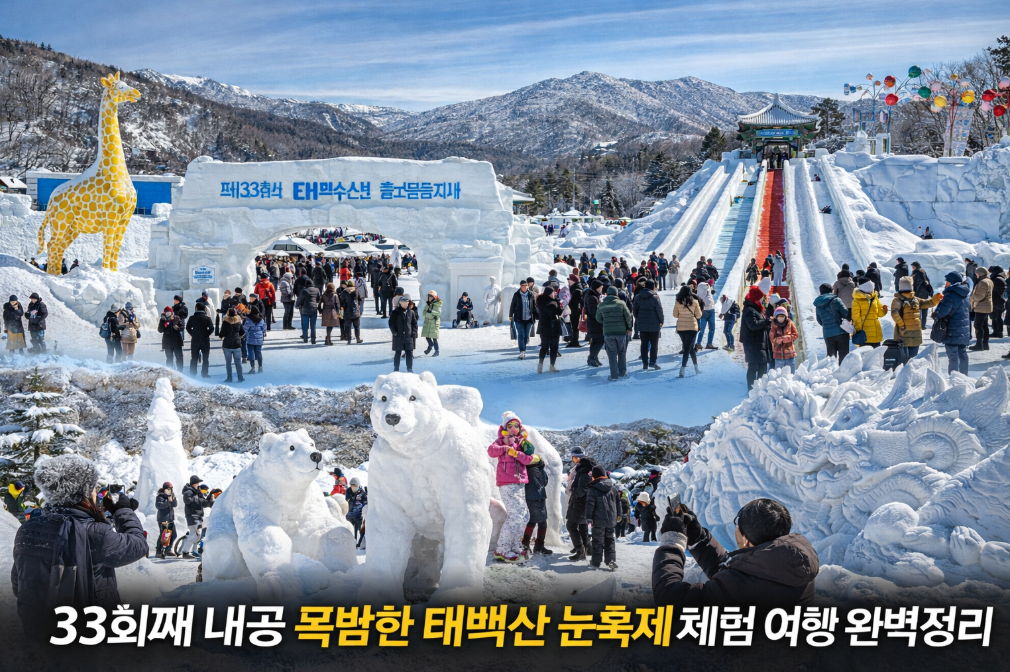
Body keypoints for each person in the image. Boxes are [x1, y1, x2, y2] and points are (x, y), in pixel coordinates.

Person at [12, 454, 147, 637]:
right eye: (92, 487)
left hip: (38, 629)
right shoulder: (95, 533)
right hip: (91, 630)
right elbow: (138, 545)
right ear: (81, 491)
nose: (95, 492)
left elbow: (18, 582)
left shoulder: (28, 529)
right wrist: (124, 512)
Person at [652, 497, 818, 607]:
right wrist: (698, 538)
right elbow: (736, 575)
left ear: (746, 539)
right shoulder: (794, 564)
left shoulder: (740, 586)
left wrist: (672, 541)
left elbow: (669, 599)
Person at [487, 415, 535, 563]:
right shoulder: (501, 440)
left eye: (516, 425)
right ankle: (502, 548)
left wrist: (517, 453)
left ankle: (514, 546)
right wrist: (506, 448)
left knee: (524, 516)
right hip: (507, 482)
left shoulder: (522, 442)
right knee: (515, 515)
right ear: (505, 428)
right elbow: (491, 451)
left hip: (520, 482)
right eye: (510, 426)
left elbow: (529, 459)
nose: (513, 428)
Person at [892, 276, 940, 359]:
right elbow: (929, 303)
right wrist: (936, 299)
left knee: (903, 360)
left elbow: (894, 313)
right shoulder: (916, 300)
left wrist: (902, 325)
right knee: (912, 360)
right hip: (916, 333)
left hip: (903, 334)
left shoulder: (897, 300)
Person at [934, 272, 971, 374]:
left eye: (947, 281)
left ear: (951, 282)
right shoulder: (965, 294)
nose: (945, 283)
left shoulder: (950, 295)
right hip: (964, 329)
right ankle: (964, 377)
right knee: (963, 354)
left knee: (953, 356)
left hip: (952, 329)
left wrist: (936, 313)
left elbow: (943, 312)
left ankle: (954, 380)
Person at [584, 465, 619, 570]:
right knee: (609, 540)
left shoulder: (592, 489)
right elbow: (618, 503)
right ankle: (611, 560)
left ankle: (596, 562)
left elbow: (590, 504)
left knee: (597, 541)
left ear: (594, 476)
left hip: (598, 520)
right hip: (611, 519)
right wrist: (619, 515)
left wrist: (588, 517)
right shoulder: (612, 487)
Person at [565, 446, 596, 561]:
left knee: (571, 525)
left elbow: (583, 488)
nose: (572, 459)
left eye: (573, 457)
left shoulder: (583, 469)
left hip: (579, 503)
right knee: (582, 526)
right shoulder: (588, 468)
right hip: (585, 503)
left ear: (576, 457)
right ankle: (588, 549)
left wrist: (575, 494)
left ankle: (580, 551)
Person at [596, 286, 633, 381]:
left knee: (611, 354)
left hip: (608, 333)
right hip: (621, 332)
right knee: (622, 352)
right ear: (616, 294)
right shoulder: (621, 303)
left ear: (607, 294)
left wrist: (606, 321)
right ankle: (622, 372)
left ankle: (613, 375)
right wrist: (629, 328)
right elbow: (628, 317)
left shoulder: (602, 305)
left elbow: (598, 318)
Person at [741, 286, 771, 390]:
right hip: (753, 343)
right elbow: (752, 325)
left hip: (758, 343)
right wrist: (765, 322)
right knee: (754, 367)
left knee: (762, 366)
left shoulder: (754, 309)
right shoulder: (750, 310)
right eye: (760, 298)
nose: (762, 301)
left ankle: (758, 390)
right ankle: (752, 390)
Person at [521, 454, 551, 555]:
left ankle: (526, 544)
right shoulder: (537, 470)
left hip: (530, 498)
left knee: (532, 522)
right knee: (541, 523)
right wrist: (542, 468)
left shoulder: (525, 469)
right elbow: (545, 481)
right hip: (538, 498)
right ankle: (538, 546)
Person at [813, 283, 851, 363]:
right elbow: (846, 313)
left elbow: (819, 320)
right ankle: (843, 373)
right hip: (841, 332)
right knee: (843, 356)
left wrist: (827, 325)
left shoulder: (818, 304)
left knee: (831, 358)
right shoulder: (836, 300)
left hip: (827, 333)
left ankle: (830, 373)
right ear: (832, 291)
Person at [181, 475, 217, 559]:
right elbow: (187, 500)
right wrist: (198, 499)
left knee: (196, 535)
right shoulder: (189, 491)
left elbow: (203, 503)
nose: (198, 484)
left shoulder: (196, 492)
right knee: (194, 535)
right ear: (194, 483)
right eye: (198, 482)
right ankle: (185, 552)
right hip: (192, 516)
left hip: (198, 516)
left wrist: (210, 500)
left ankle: (186, 551)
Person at [633, 279, 664, 370]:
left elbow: (635, 311)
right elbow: (659, 311)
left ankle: (645, 363)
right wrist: (661, 321)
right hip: (654, 325)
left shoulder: (638, 297)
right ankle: (653, 362)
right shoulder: (655, 297)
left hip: (642, 325)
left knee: (644, 344)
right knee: (654, 344)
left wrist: (639, 319)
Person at [673, 285, 702, 378]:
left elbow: (675, 315)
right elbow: (699, 315)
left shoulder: (678, 302)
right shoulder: (695, 302)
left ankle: (696, 368)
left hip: (681, 328)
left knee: (688, 347)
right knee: (688, 348)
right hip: (692, 327)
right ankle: (683, 369)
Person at [849, 280, 887, 349]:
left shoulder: (857, 300)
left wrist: (857, 330)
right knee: (873, 356)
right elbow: (880, 314)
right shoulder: (874, 298)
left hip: (866, 333)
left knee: (868, 356)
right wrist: (884, 309)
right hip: (872, 333)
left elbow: (856, 317)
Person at [509, 278, 538, 360]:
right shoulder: (516, 294)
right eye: (523, 286)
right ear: (520, 286)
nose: (525, 287)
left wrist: (537, 315)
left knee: (526, 335)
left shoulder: (531, 294)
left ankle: (524, 347)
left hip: (529, 318)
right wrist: (510, 315)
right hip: (519, 318)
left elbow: (533, 306)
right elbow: (513, 305)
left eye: (526, 286)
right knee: (521, 334)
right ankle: (522, 350)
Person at [535, 286, 562, 374]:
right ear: (549, 293)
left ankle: (541, 365)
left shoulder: (541, 301)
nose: (554, 294)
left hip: (544, 328)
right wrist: (559, 305)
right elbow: (557, 312)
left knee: (546, 347)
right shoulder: (551, 304)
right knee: (552, 347)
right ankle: (550, 366)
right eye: (552, 293)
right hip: (552, 327)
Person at [184, 303, 214, 378]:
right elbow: (211, 328)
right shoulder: (207, 318)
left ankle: (193, 373)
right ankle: (204, 373)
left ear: (196, 308)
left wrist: (193, 334)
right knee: (205, 358)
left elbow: (188, 327)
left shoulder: (192, 318)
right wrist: (206, 334)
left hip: (195, 340)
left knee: (194, 358)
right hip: (205, 340)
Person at [389, 294, 417, 373]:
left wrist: (414, 332)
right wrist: (394, 331)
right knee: (398, 353)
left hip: (408, 336)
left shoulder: (411, 312)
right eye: (404, 302)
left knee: (409, 353)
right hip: (398, 336)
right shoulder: (395, 312)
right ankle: (396, 368)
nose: (406, 303)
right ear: (400, 302)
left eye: (407, 302)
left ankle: (409, 369)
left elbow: (414, 323)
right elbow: (391, 323)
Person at [969, 267, 993, 351]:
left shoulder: (982, 282)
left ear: (980, 274)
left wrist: (971, 299)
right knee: (984, 325)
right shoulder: (989, 280)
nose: (976, 275)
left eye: (977, 274)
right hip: (986, 306)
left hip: (981, 306)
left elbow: (979, 296)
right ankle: (985, 344)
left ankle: (979, 345)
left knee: (977, 325)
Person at [219, 308, 246, 383]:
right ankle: (240, 377)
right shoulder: (238, 321)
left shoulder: (225, 322)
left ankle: (229, 377)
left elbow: (221, 334)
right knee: (238, 362)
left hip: (227, 344)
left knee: (228, 362)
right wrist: (239, 337)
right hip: (237, 343)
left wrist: (222, 337)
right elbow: (242, 332)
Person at [769, 307, 799, 372]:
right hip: (778, 355)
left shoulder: (790, 323)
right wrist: (776, 340)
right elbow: (771, 338)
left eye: (782, 316)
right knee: (779, 374)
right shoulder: (773, 325)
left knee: (791, 374)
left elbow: (796, 335)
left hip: (790, 354)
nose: (781, 318)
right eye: (779, 316)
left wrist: (787, 338)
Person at [155, 481, 178, 558]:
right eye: (169, 489)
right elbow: (159, 506)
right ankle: (158, 551)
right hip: (163, 519)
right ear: (165, 489)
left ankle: (168, 550)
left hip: (170, 519)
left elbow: (175, 505)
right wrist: (168, 501)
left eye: (171, 489)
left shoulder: (171, 496)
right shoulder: (160, 497)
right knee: (163, 536)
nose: (171, 490)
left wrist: (173, 500)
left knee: (174, 535)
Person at [158, 306, 184, 371]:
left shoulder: (176, 318)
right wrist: (165, 325)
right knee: (169, 358)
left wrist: (177, 328)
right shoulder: (162, 320)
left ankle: (180, 371)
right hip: (167, 342)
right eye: (166, 312)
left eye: (169, 312)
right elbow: (160, 330)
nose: (168, 314)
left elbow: (182, 327)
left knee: (179, 357)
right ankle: (170, 371)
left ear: (172, 312)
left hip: (177, 341)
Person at [296, 280, 321, 344]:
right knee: (313, 325)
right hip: (313, 309)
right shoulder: (317, 290)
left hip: (305, 309)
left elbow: (299, 300)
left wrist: (297, 305)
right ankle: (313, 339)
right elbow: (318, 299)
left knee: (305, 325)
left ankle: (305, 338)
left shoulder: (304, 291)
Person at [243, 306, 267, 373]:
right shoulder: (261, 319)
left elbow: (245, 329)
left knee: (251, 352)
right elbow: (264, 328)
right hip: (259, 339)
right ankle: (260, 367)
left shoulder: (248, 319)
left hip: (250, 338)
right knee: (258, 352)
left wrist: (245, 335)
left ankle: (253, 368)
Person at [695, 279, 717, 350]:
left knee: (711, 329)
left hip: (711, 310)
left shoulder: (708, 288)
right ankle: (699, 343)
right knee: (703, 329)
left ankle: (708, 344)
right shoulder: (702, 286)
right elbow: (700, 298)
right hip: (704, 311)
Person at [911, 261, 934, 328]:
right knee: (924, 308)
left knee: (917, 308)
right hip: (925, 292)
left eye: (913, 266)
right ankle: (923, 324)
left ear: (916, 267)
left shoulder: (918, 273)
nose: (912, 268)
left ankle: (919, 324)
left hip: (919, 293)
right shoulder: (922, 271)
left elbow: (917, 284)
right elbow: (927, 282)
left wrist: (914, 293)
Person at [345, 477, 367, 541]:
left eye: (355, 485)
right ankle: (350, 543)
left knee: (359, 531)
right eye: (352, 485)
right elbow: (346, 502)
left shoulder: (363, 493)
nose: (353, 486)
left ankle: (359, 544)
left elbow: (365, 505)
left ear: (358, 485)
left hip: (359, 516)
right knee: (349, 531)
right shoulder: (348, 492)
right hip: (349, 515)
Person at [421, 290, 442, 356]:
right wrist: (429, 313)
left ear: (434, 297)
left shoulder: (437, 304)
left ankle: (437, 351)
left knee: (434, 338)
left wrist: (429, 314)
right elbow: (424, 313)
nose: (430, 298)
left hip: (434, 323)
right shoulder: (429, 304)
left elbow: (437, 313)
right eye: (429, 296)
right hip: (428, 322)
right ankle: (430, 346)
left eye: (431, 296)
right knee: (427, 336)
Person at [990, 266, 1007, 339]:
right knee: (997, 317)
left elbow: (994, 291)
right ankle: (997, 332)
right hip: (999, 301)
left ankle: (997, 332)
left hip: (996, 301)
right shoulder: (1000, 278)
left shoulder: (997, 280)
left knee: (996, 317)